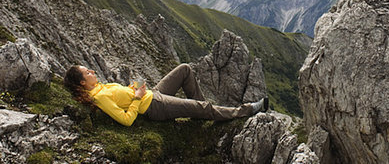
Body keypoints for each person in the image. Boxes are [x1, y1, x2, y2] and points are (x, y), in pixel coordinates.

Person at [63, 63, 268, 127]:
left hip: (152, 94)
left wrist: (136, 88)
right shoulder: (99, 97)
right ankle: (247, 110)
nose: (91, 71)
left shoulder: (100, 87)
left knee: (185, 70)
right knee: (201, 108)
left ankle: (202, 112)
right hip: (154, 106)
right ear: (82, 82)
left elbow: (123, 95)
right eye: (86, 72)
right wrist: (136, 97)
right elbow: (126, 120)